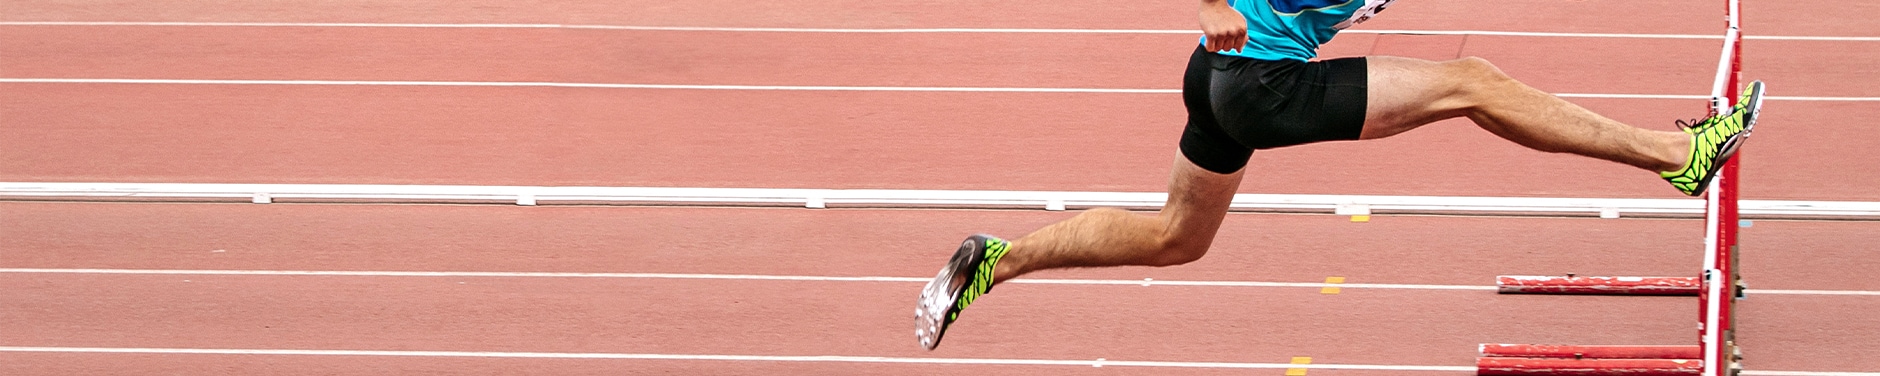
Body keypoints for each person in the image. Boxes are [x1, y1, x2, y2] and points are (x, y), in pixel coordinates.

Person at [915, 0, 1763, 350]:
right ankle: (1680, 158)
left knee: (1180, 235)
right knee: (1476, 84)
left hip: (1218, 78)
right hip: (1258, 78)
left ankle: (997, 259)